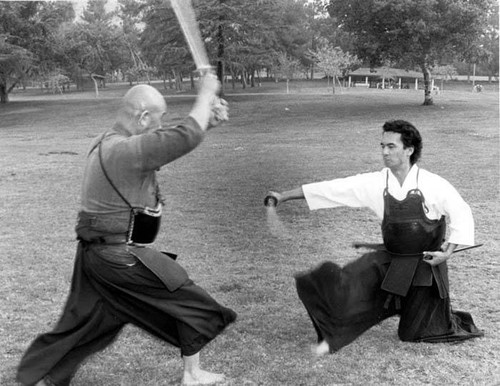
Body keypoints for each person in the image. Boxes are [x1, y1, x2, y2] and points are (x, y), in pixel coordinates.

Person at [17, 73, 236, 386]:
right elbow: (182, 137)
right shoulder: (122, 151)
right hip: (116, 258)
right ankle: (192, 374)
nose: (161, 127)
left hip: (98, 255)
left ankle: (47, 374)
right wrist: (206, 94)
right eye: (159, 120)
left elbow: (167, 144)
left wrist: (207, 121)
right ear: (144, 117)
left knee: (91, 323)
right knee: (192, 301)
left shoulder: (109, 143)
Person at [266, 120, 483, 355]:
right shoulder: (377, 182)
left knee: (412, 335)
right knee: (344, 284)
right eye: (382, 146)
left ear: (409, 150)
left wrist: (447, 252)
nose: (384, 152)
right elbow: (334, 189)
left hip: (425, 268)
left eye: (391, 146)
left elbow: (461, 213)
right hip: (391, 261)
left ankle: (425, 309)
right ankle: (368, 314)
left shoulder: (433, 184)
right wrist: (284, 196)